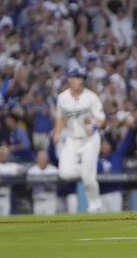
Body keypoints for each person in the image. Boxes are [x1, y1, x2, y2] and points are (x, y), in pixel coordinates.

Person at [53, 67, 105, 213]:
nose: (79, 80)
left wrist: (94, 127)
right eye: (76, 77)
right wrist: (57, 133)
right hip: (71, 138)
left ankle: (95, 205)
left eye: (81, 78)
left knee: (89, 179)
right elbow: (59, 118)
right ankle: (87, 172)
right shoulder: (62, 98)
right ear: (69, 79)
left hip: (89, 139)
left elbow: (101, 119)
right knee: (64, 172)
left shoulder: (91, 97)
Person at [0, 145, 24, 216]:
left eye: (6, 155)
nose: (4, 156)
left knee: (5, 219)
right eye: (2, 154)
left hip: (6, 196)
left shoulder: (10, 165)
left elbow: (21, 169)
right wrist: (6, 177)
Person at [26, 150, 59, 215]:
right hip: (37, 200)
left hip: (50, 200)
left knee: (51, 221)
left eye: (44, 158)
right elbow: (28, 185)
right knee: (38, 222)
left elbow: (59, 183)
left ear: (47, 159)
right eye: (40, 158)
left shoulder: (53, 170)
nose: (42, 160)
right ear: (37, 159)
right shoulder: (32, 170)